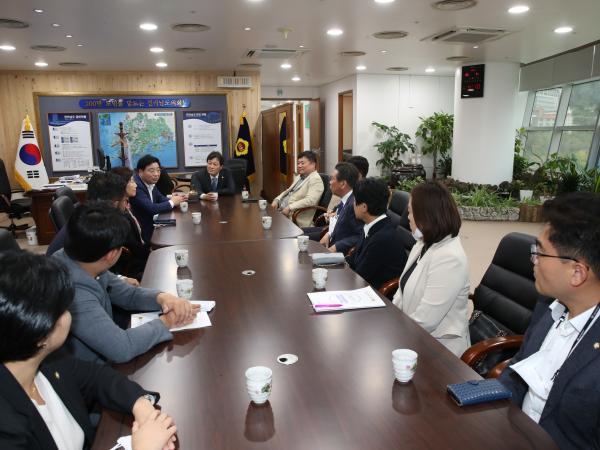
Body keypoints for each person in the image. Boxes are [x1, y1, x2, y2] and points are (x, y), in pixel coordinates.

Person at [0, 251, 177, 450]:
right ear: (40, 332)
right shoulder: (6, 428)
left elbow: (97, 377)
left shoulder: (48, 362)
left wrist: (141, 405)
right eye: (64, 309)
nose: (70, 314)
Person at [499, 192, 600, 450]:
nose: (533, 260)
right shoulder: (549, 305)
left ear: (577, 272)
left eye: (540, 253)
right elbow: (518, 367)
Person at [53, 202, 199, 364]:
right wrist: (168, 321)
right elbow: (122, 348)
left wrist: (163, 298)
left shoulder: (83, 260)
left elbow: (129, 295)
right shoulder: (74, 293)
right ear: (111, 255)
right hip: (87, 369)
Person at [392, 181, 470, 356]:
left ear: (426, 215)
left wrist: (393, 331)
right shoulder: (422, 243)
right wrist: (391, 318)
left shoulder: (450, 258)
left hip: (439, 350)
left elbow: (426, 320)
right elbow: (400, 293)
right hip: (411, 335)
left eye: (411, 211)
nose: (408, 217)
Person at [47, 171, 149, 281]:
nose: (126, 207)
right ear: (114, 203)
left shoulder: (87, 217)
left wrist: (120, 279)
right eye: (125, 200)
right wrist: (122, 279)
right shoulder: (99, 228)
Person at [346, 177, 408, 290]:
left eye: (355, 201)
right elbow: (354, 258)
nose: (353, 204)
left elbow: (360, 275)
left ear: (364, 207)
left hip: (376, 294)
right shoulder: (372, 225)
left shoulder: (382, 239)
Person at [129, 155, 187, 244]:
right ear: (140, 171)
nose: (156, 174)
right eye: (151, 171)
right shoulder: (137, 186)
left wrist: (175, 199)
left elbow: (160, 198)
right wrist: (172, 202)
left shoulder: (149, 181)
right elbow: (152, 208)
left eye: (158, 170)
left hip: (153, 223)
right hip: (144, 232)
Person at [271, 150, 324, 228]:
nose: (299, 166)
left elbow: (310, 201)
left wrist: (290, 207)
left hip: (293, 216)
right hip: (281, 210)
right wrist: (277, 200)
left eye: (302, 163)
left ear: (313, 164)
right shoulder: (299, 176)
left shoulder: (315, 179)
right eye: (298, 163)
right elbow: (288, 191)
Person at [319, 162, 363, 255]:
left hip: (339, 252)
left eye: (332, 179)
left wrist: (338, 246)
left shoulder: (354, 205)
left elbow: (361, 235)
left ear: (343, 184)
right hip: (330, 238)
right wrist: (329, 234)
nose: (329, 182)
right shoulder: (346, 199)